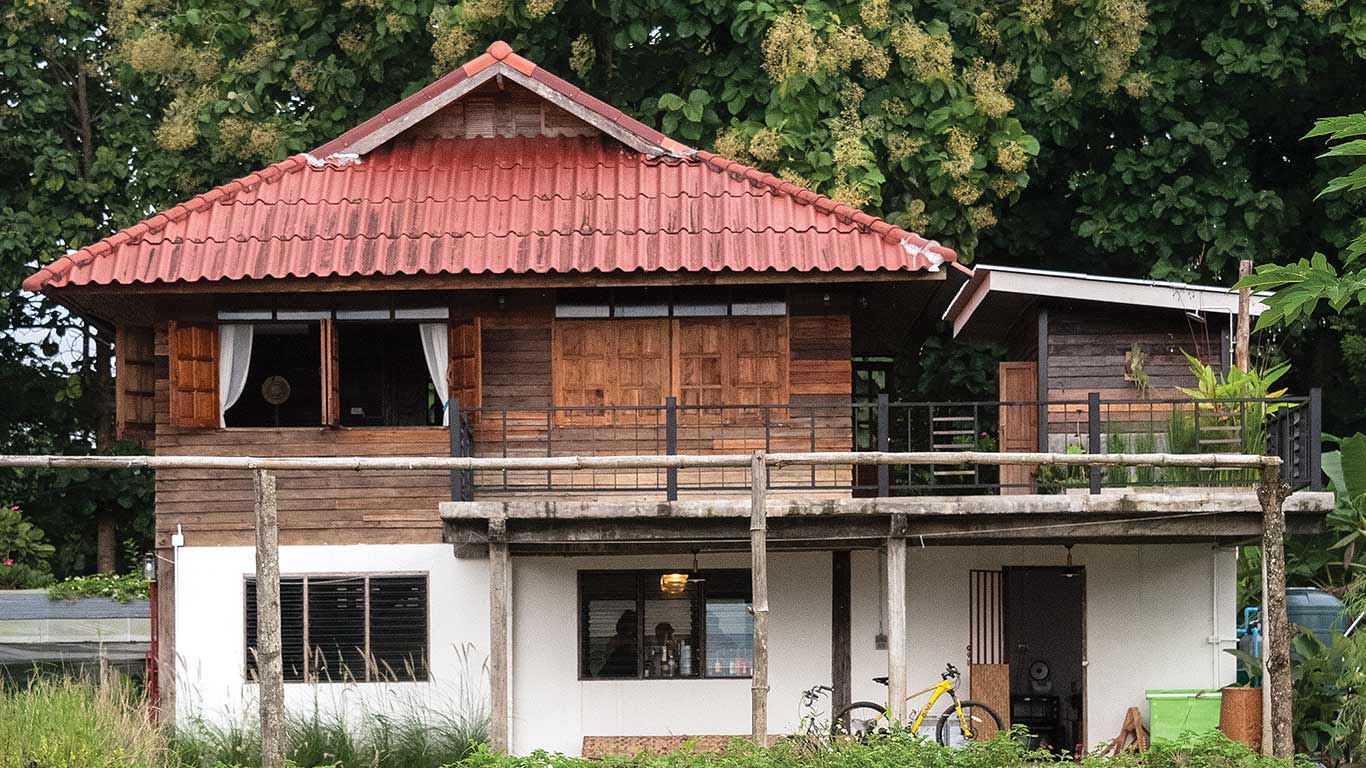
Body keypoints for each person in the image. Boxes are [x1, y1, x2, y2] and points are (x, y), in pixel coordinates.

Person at [598, 609, 638, 677]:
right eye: (630, 622)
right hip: (614, 675)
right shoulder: (616, 640)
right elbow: (607, 659)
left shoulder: (636, 640)